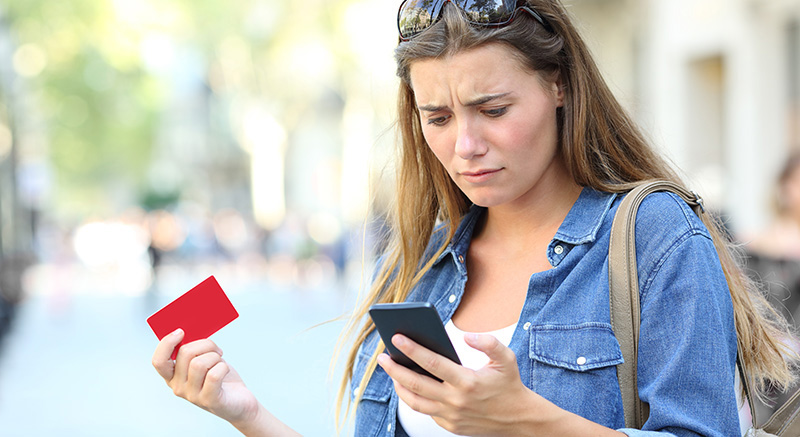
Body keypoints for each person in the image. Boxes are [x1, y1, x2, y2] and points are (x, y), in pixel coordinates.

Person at [152, 1, 798, 435]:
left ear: (558, 86)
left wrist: (525, 416)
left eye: (492, 109)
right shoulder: (417, 265)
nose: (465, 144)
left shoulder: (650, 233)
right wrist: (246, 413)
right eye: (437, 117)